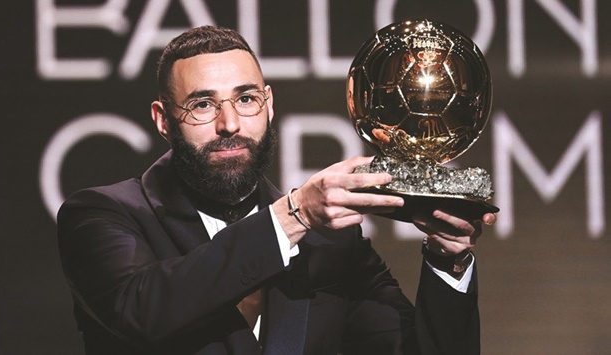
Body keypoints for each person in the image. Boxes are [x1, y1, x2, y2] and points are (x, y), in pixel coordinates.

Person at [57, 25, 497, 355]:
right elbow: (142, 312)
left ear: (269, 104)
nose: (230, 124)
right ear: (162, 118)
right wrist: (294, 216)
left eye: (246, 99)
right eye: (203, 104)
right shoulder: (102, 214)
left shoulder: (332, 241)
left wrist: (447, 261)